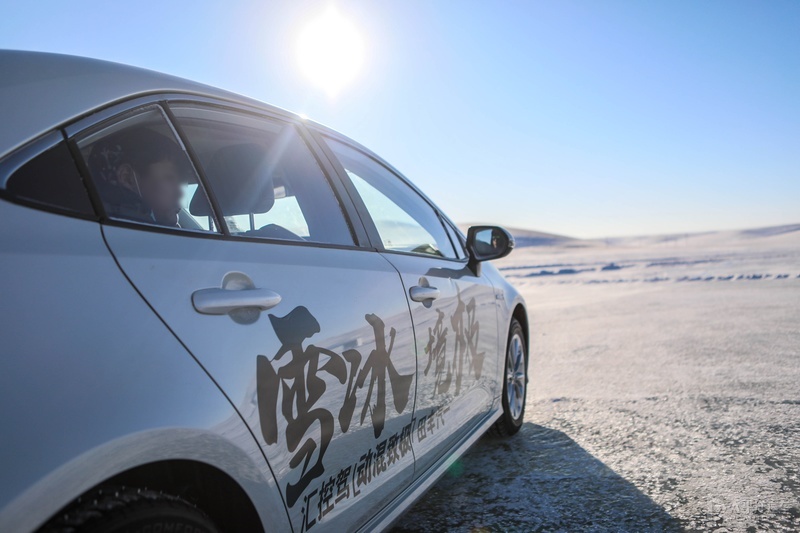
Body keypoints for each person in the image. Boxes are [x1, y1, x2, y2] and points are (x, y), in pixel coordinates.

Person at [88, 127, 189, 227]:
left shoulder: (96, 223)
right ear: (127, 177)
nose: (179, 193)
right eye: (169, 178)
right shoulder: (140, 234)